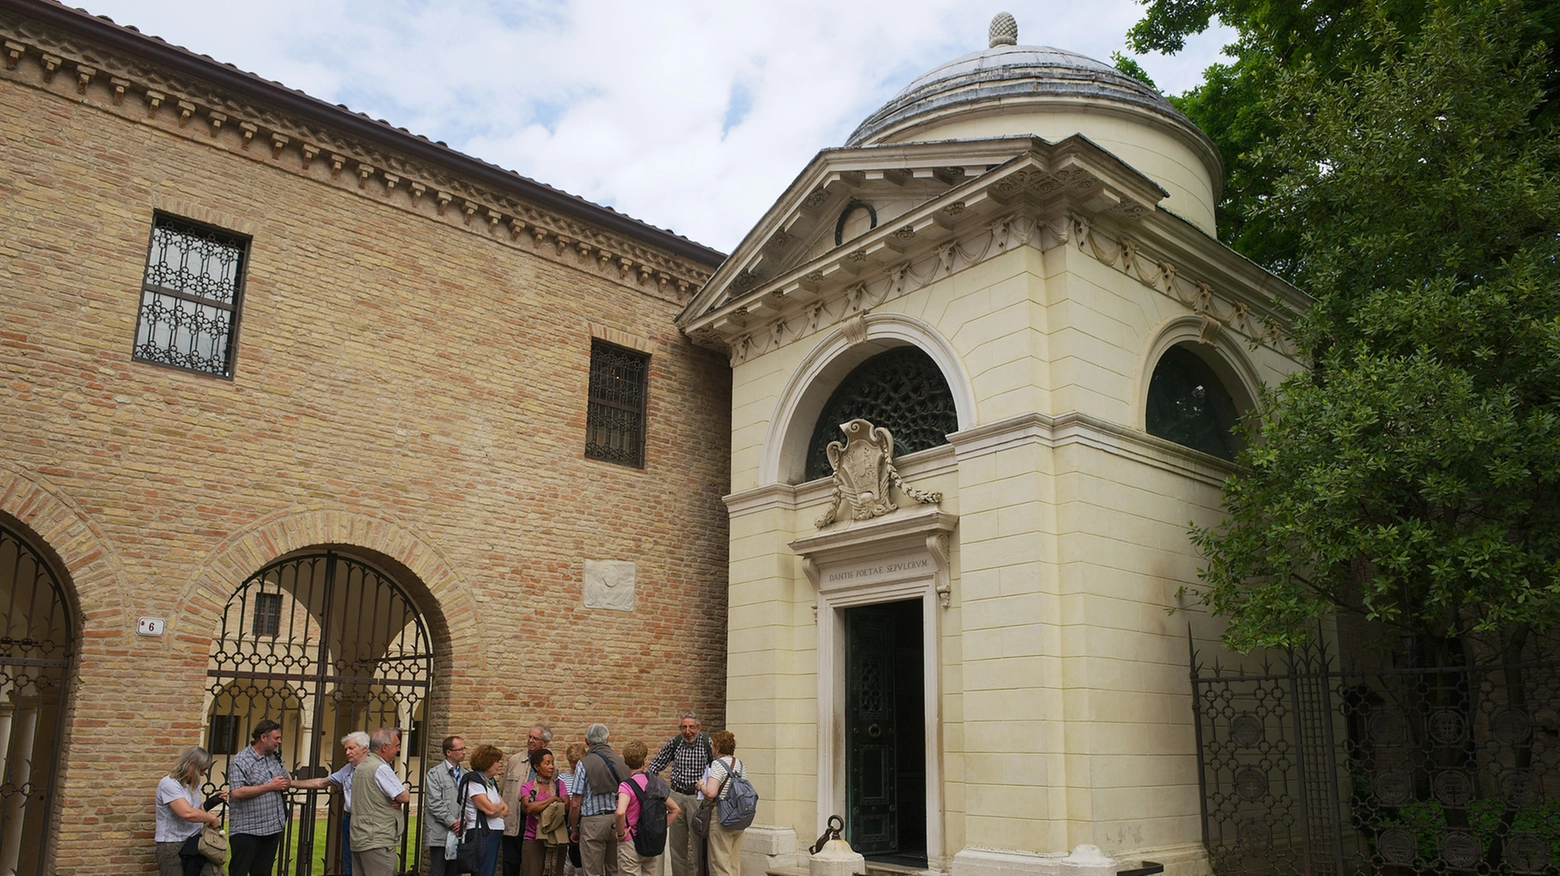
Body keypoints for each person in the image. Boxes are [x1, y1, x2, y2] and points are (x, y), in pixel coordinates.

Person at [228, 719, 332, 876]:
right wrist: (269, 786)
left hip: (271, 828)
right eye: (276, 738)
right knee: (239, 871)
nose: (280, 741)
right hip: (247, 830)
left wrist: (319, 783)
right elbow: (236, 792)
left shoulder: (274, 757)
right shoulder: (241, 761)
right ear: (263, 738)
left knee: (263, 872)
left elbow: (285, 782)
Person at [646, 713, 711, 876]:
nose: (687, 731)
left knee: (699, 846)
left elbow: (717, 770)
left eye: (691, 727)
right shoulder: (674, 743)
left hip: (698, 799)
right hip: (676, 797)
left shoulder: (707, 744)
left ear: (699, 728)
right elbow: (653, 767)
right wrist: (661, 791)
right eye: (684, 727)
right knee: (676, 846)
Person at [569, 723, 630, 876]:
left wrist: (574, 828)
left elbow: (575, 803)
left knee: (592, 871)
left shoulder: (584, 763)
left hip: (592, 823)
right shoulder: (620, 761)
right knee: (615, 870)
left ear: (586, 741)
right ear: (608, 739)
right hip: (617, 820)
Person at [154, 746, 224, 876]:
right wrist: (212, 819)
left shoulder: (193, 785)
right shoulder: (169, 784)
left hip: (195, 842)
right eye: (201, 770)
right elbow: (187, 813)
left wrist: (213, 801)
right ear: (191, 764)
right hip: (172, 845)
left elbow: (196, 810)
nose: (203, 774)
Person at [351, 727, 412, 876]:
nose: (398, 750)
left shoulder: (362, 766)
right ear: (385, 747)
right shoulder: (380, 768)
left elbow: (372, 795)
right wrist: (396, 796)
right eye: (397, 746)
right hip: (377, 837)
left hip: (360, 835)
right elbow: (404, 796)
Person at [615, 741, 680, 876]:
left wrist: (620, 833)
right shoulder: (654, 784)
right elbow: (675, 810)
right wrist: (659, 828)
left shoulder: (626, 787)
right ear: (644, 761)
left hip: (631, 840)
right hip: (650, 841)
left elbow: (620, 812)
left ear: (625, 762)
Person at [503, 724, 553, 876]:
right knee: (510, 863)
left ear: (544, 743)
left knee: (533, 866)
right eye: (529, 737)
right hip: (514, 822)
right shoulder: (515, 760)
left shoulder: (551, 766)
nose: (530, 741)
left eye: (535, 738)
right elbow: (503, 788)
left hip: (536, 823)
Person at [698, 732, 745, 876]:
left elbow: (711, 793)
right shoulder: (739, 764)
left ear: (717, 748)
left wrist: (700, 786)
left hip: (721, 816)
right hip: (738, 816)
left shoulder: (717, 764)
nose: (711, 748)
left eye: (712, 745)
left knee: (719, 864)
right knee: (734, 864)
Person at [325, 731, 370, 876]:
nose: (347, 752)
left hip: (367, 821)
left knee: (366, 861)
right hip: (349, 819)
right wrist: (291, 783)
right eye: (346, 749)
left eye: (351, 748)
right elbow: (322, 782)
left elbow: (399, 794)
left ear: (364, 749)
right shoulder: (348, 769)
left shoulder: (376, 769)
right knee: (349, 862)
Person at [519, 748, 570, 876]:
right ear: (537, 766)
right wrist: (552, 799)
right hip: (533, 839)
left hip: (557, 840)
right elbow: (529, 808)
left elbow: (566, 805)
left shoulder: (559, 785)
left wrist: (540, 804)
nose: (551, 767)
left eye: (552, 763)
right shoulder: (528, 787)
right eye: (547, 763)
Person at [464, 744, 511, 876]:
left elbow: (506, 810)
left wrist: (498, 808)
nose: (499, 764)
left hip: (493, 834)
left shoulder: (490, 782)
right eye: (496, 761)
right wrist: (498, 807)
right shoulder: (474, 781)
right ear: (487, 762)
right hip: (481, 835)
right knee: (482, 872)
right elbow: (489, 810)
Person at [424, 735, 468, 876]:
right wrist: (452, 822)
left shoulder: (465, 774)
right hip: (440, 833)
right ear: (448, 752)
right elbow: (435, 803)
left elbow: (468, 801)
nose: (464, 752)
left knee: (455, 871)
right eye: (460, 749)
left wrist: (463, 821)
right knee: (438, 870)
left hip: (460, 832)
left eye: (464, 748)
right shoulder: (435, 774)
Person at [559, 742, 588, 876]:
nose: (575, 766)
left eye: (578, 763)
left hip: (585, 819)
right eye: (572, 763)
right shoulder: (563, 778)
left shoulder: (588, 776)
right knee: (569, 857)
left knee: (585, 857)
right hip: (568, 820)